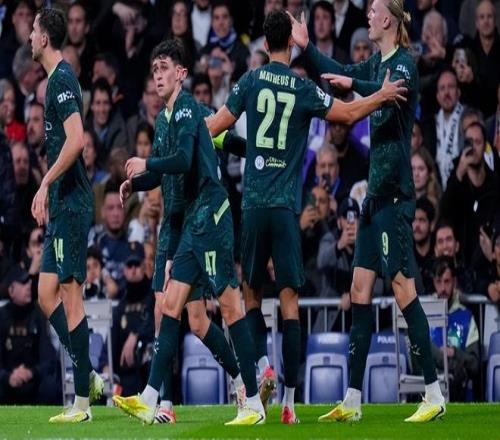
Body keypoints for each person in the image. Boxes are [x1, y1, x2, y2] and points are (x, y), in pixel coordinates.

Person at [207, 8, 407, 424]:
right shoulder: (302, 87)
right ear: (290, 45)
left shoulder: (250, 81)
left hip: (254, 205)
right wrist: (382, 95)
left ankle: (262, 370)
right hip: (286, 208)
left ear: (265, 44)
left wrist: (183, 131)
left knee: (250, 295)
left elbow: (216, 126)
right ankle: (290, 403)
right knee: (290, 302)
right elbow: (348, 114)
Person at [289, 0, 446, 422]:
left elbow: (380, 93)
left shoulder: (404, 64)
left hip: (394, 195)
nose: (368, 16)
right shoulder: (378, 64)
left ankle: (433, 393)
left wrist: (357, 85)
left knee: (403, 289)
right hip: (373, 199)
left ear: (389, 19)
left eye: (374, 11)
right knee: (359, 291)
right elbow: (340, 71)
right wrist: (306, 48)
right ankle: (353, 401)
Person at [113, 39, 265, 426]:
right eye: (154, 70)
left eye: (164, 68)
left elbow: (183, 159)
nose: (157, 76)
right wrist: (137, 182)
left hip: (209, 217)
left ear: (181, 73)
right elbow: (166, 171)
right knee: (173, 308)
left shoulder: (188, 110)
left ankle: (252, 399)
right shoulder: (165, 119)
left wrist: (147, 163)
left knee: (229, 307)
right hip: (188, 224)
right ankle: (151, 398)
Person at [28, 8, 103, 423]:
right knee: (46, 294)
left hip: (72, 203)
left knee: (72, 296)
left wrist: (44, 182)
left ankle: (83, 404)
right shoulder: (53, 81)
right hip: (61, 204)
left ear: (45, 38)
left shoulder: (60, 80)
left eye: (33, 30)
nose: (29, 37)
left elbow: (77, 141)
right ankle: (88, 373)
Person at [0, 266, 60, 404]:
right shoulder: (2, 317)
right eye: (23, 283)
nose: (29, 286)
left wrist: (31, 372)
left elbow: (48, 357)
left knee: (50, 384)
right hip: (7, 380)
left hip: (33, 378)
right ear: (11, 290)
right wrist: (8, 377)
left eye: (29, 282)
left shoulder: (38, 313)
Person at [430, 256, 480, 401]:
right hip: (430, 391)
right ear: (433, 282)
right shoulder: (425, 315)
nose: (442, 288)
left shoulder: (466, 318)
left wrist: (454, 352)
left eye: (447, 281)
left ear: (454, 282)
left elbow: (474, 364)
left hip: (459, 393)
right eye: (438, 282)